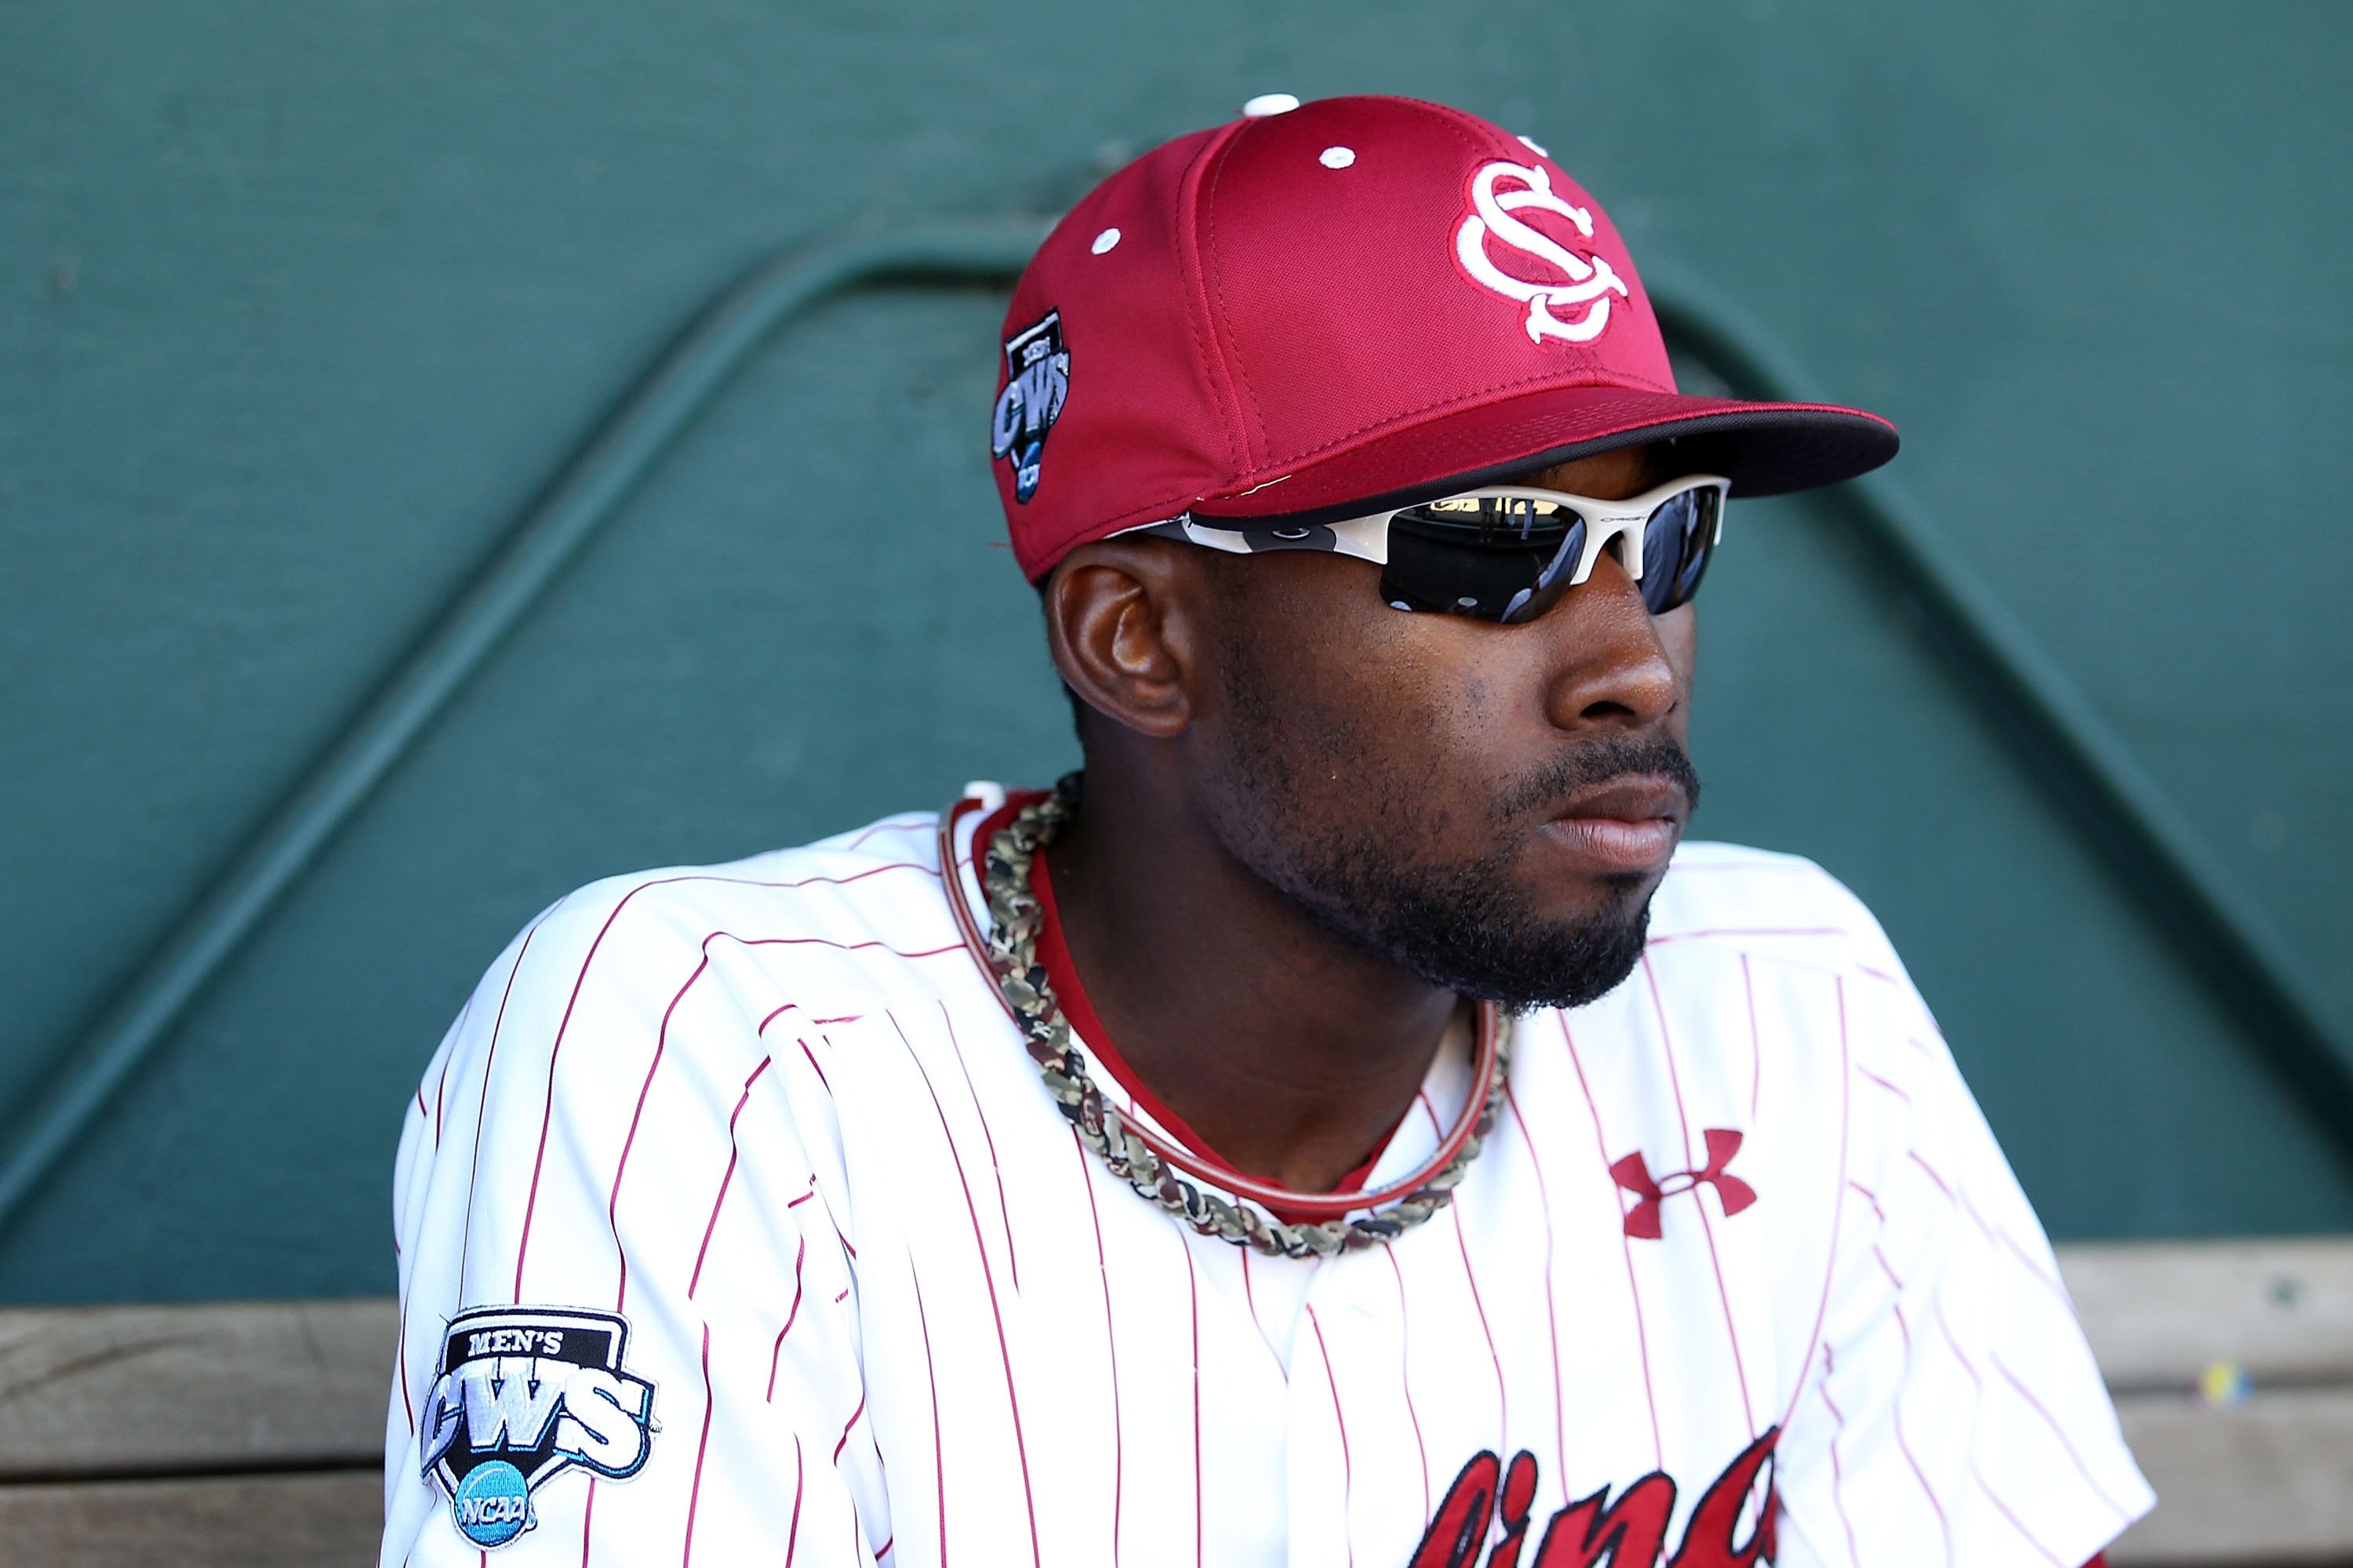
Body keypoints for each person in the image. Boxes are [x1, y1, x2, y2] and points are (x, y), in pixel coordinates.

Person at [380, 94, 2151, 1567]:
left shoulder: (1782, 994)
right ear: (1138, 636)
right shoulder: (721, 1051)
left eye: (1669, 539)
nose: (1631, 662)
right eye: (1491, 546)